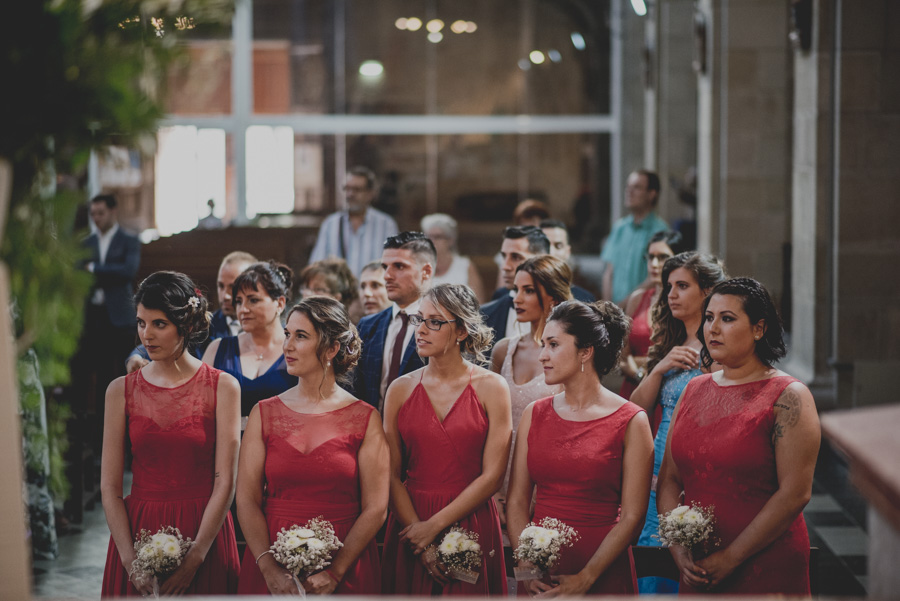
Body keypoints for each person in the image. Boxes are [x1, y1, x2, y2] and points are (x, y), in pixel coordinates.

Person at [657, 278, 820, 595]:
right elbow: (669, 480)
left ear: (758, 329)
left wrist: (732, 557)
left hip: (765, 562)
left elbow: (795, 494)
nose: (712, 329)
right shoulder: (693, 389)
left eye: (727, 319)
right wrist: (676, 545)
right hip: (697, 566)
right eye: (709, 317)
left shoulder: (788, 395)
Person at [100, 271, 241, 596]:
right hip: (139, 531)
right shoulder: (119, 390)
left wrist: (195, 558)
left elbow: (225, 482)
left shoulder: (223, 386)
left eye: (158, 324)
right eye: (141, 323)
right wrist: (130, 561)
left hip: (204, 530)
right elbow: (109, 487)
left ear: (187, 326)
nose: (146, 335)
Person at [236, 297, 389, 595]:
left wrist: (335, 571)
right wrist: (268, 568)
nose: (288, 345)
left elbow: (376, 507)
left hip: (345, 563)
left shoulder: (366, 418)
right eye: (287, 334)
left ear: (331, 348)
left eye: (301, 336)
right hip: (272, 558)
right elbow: (246, 500)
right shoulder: (263, 412)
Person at [506, 301, 653, 595]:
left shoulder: (632, 420)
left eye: (553, 345)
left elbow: (633, 517)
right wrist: (526, 566)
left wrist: (587, 577)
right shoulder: (534, 414)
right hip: (540, 576)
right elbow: (517, 502)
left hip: (602, 569)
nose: (542, 355)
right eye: (543, 344)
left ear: (586, 351)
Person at [381, 284, 512, 595]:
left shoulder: (492, 387)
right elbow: (388, 471)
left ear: (461, 331)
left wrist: (433, 527)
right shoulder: (400, 389)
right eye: (419, 320)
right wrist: (417, 532)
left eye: (435, 321)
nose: (422, 330)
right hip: (410, 518)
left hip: (470, 514)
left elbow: (493, 476)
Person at [630, 251, 726, 594]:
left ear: (708, 291)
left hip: (698, 474)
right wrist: (659, 368)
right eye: (669, 285)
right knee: (652, 575)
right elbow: (634, 411)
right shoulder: (671, 343)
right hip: (657, 474)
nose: (670, 293)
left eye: (682, 285)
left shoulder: (721, 347)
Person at [490, 255, 571, 520]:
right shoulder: (504, 350)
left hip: (547, 479)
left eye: (528, 291)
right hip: (499, 476)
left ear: (553, 298)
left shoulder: (569, 354)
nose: (516, 298)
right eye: (515, 289)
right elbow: (486, 425)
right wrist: (490, 488)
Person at [76, 194, 141, 445]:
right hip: (94, 317)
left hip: (120, 316)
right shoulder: (87, 242)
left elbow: (127, 272)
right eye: (93, 213)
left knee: (127, 377)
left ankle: (130, 440)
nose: (96, 218)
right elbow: (77, 274)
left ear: (113, 212)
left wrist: (94, 270)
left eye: (100, 213)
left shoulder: (128, 240)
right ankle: (104, 441)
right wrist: (102, 273)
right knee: (103, 380)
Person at [126, 251, 257, 372]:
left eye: (233, 287)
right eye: (221, 286)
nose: (225, 296)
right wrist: (135, 358)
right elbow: (160, 341)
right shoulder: (206, 324)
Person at [202, 261, 297, 425]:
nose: (243, 309)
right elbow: (200, 409)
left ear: (280, 303)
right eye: (239, 301)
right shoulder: (217, 348)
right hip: (227, 445)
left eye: (253, 300)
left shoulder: (296, 349)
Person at [353, 232, 435, 411]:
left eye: (399, 266)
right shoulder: (367, 325)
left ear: (426, 271)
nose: (387, 276)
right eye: (385, 267)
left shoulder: (442, 326)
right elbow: (355, 390)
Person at [617, 231, 682, 399]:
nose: (654, 263)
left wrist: (639, 364)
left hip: (668, 392)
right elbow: (622, 357)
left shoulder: (682, 302)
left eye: (662, 257)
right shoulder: (637, 298)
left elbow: (680, 360)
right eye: (650, 257)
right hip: (633, 388)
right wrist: (640, 374)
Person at [309, 166, 399, 277]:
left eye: (356, 190)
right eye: (347, 189)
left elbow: (393, 266)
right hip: (339, 293)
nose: (350, 194)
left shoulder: (386, 225)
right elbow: (316, 265)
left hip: (372, 291)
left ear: (370, 194)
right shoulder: (331, 224)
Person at [600, 170, 669, 304]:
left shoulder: (660, 231)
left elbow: (655, 277)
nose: (629, 192)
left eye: (636, 187)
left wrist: (624, 305)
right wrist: (607, 307)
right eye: (628, 187)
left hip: (643, 311)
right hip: (613, 312)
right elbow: (608, 271)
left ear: (651, 194)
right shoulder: (620, 227)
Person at [480, 226, 550, 348]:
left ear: (542, 260)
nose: (505, 266)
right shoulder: (484, 316)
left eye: (516, 257)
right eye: (503, 256)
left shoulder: (567, 318)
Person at [421, 213, 486, 302]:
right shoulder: (419, 265)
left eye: (437, 237)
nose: (432, 241)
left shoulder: (465, 266)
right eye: (428, 236)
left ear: (450, 240)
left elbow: (479, 304)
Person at [540, 219, 596, 303]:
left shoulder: (585, 299)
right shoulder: (519, 296)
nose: (551, 252)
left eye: (558, 246)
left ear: (567, 251)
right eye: (545, 245)